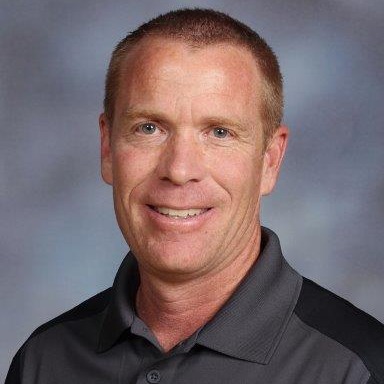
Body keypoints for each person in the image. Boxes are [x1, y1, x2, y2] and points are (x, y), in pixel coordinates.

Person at [5, 8, 384, 384]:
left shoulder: (357, 369)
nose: (180, 170)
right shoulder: (44, 360)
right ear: (107, 147)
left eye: (219, 132)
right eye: (149, 128)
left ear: (270, 160)